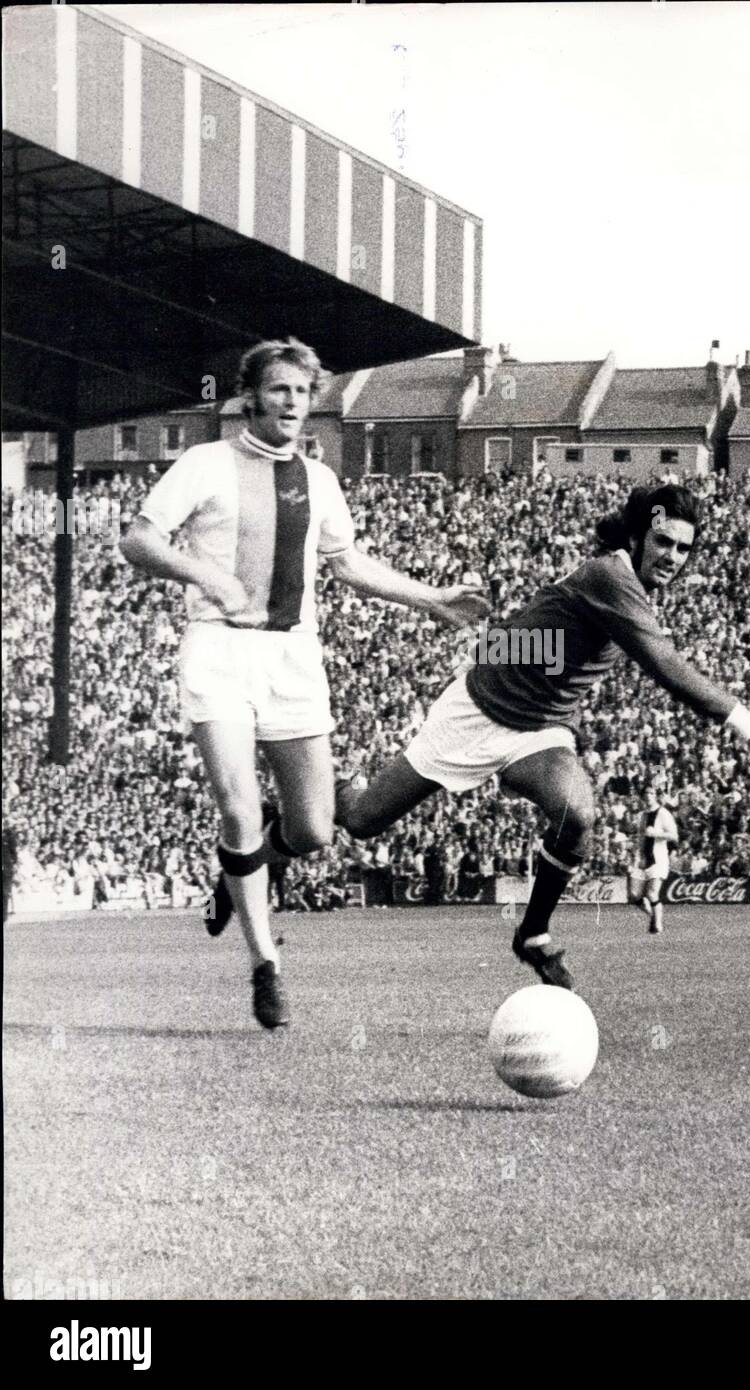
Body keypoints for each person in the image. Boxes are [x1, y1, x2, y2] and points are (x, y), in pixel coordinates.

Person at [119, 337, 488, 1029]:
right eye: (278, 390)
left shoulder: (318, 480)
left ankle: (246, 860)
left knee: (315, 830)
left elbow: (347, 563)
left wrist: (431, 597)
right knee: (233, 807)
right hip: (219, 651)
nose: (290, 403)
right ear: (251, 396)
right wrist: (207, 575)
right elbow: (138, 540)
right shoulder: (205, 463)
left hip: (292, 658)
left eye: (300, 392)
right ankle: (265, 965)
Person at [333, 484, 750, 991]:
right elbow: (667, 669)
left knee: (577, 817)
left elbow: (542, 632)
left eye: (683, 548)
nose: (673, 556)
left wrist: (505, 643)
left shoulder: (622, 583)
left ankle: (533, 934)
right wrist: (748, 723)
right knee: (362, 822)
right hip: (477, 712)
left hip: (541, 728)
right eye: (663, 542)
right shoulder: (611, 575)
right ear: (635, 537)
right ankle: (335, 788)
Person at [634, 786, 679, 935]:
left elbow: (674, 836)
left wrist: (656, 833)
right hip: (643, 859)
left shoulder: (663, 814)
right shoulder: (641, 815)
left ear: (656, 796)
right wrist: (636, 856)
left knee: (652, 893)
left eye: (651, 793)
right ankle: (654, 915)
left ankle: (657, 926)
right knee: (634, 895)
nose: (648, 795)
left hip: (658, 858)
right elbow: (640, 838)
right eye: (645, 793)